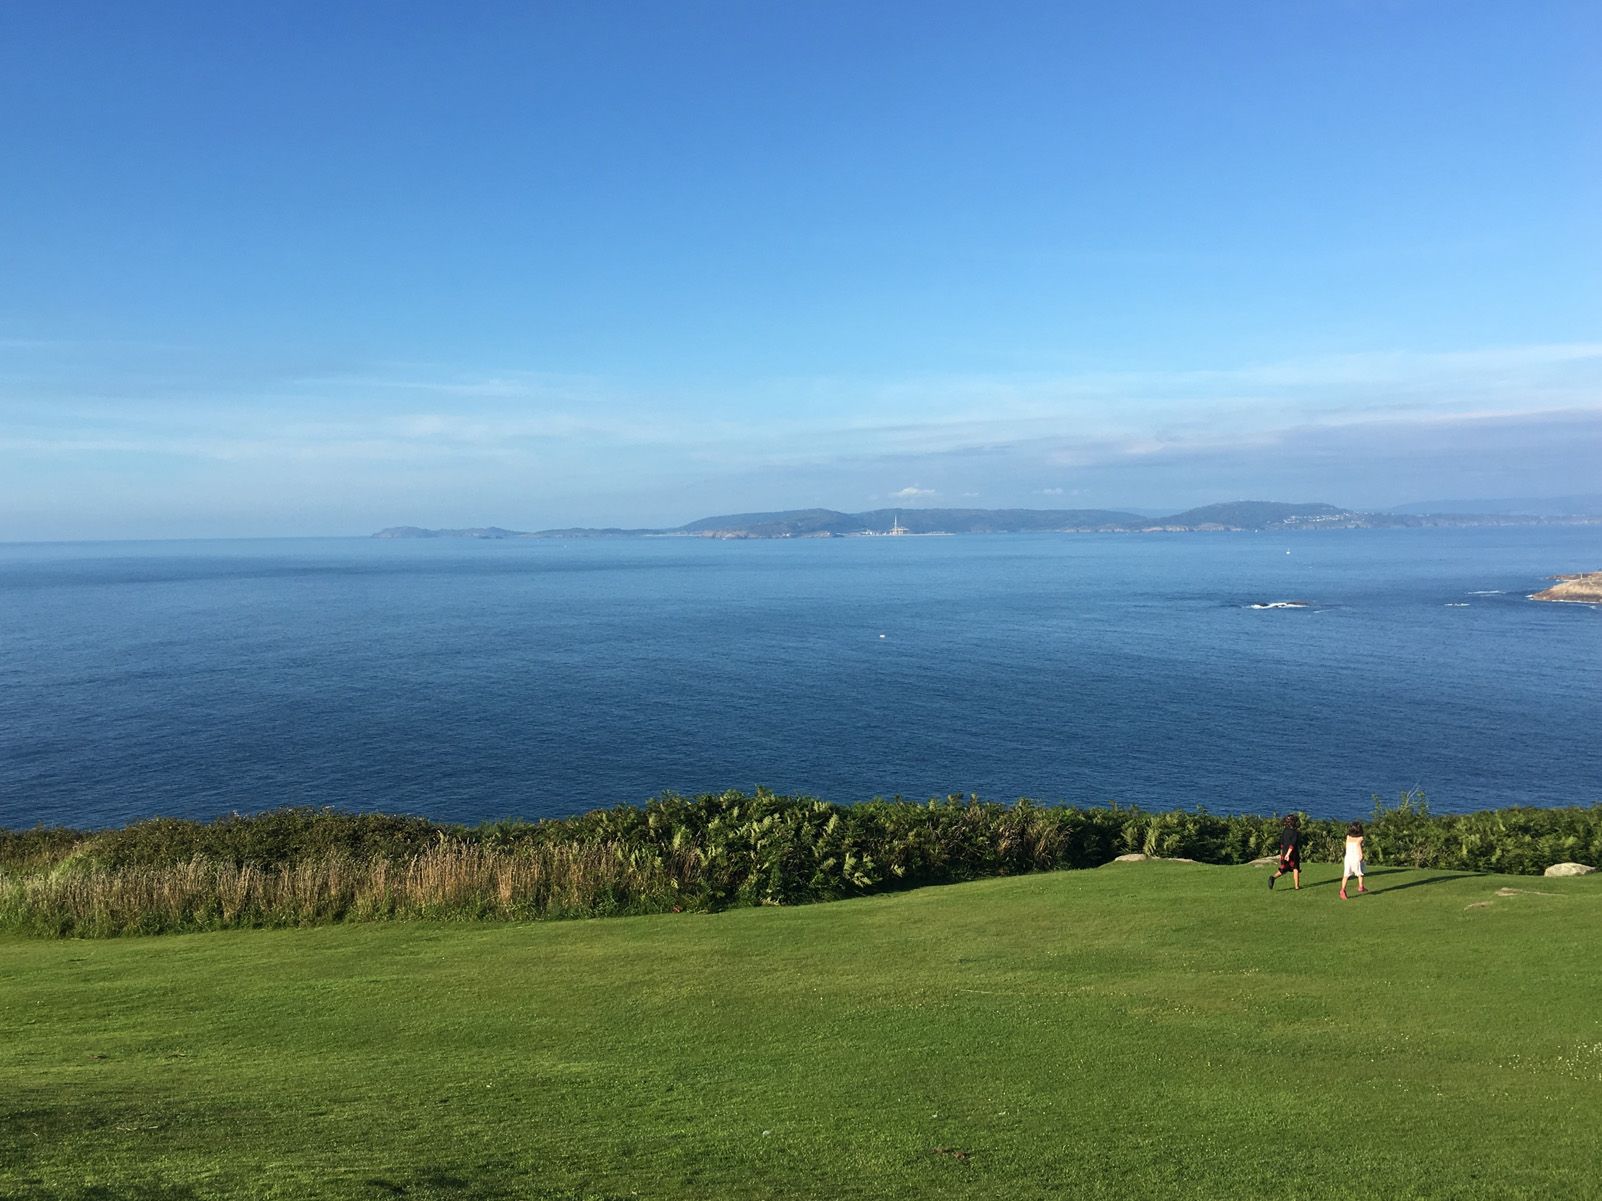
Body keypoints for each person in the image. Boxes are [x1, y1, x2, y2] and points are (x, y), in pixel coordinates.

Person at [1268, 815, 1301, 890]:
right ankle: (1297, 887)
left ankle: (1273, 878)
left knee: (1284, 869)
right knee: (1296, 868)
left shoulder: (1285, 831)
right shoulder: (1295, 832)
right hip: (1292, 853)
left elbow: (1282, 843)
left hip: (1284, 852)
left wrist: (1282, 854)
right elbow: (1292, 844)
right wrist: (1288, 854)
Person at [1341, 821, 1367, 900]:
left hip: (1348, 857)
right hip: (1356, 857)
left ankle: (1342, 890)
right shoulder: (1360, 838)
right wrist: (1361, 856)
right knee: (1360, 873)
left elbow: (1346, 846)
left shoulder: (1348, 837)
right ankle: (1361, 886)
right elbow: (1359, 848)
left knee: (1346, 875)